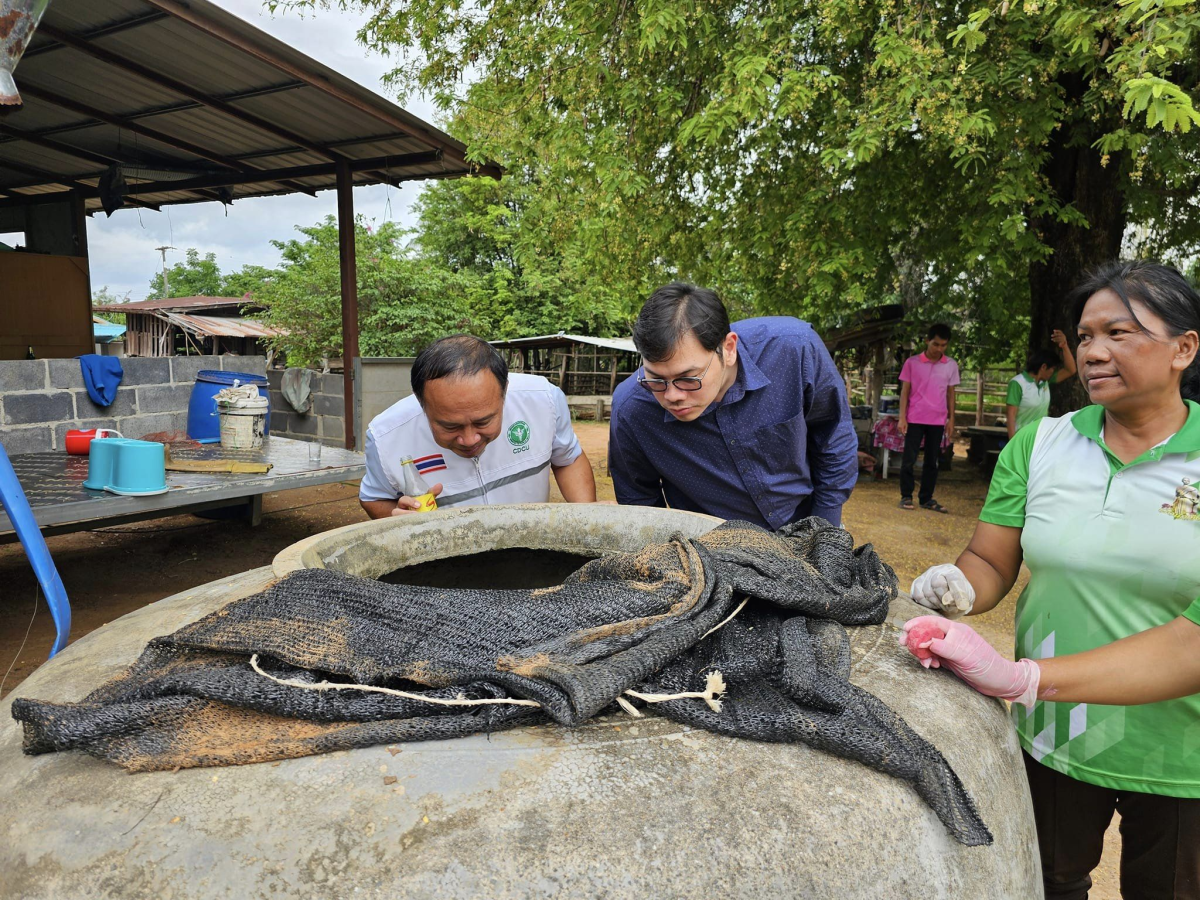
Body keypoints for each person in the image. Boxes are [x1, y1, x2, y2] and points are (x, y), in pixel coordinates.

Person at [903, 260, 1200, 900]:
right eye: (1085, 335)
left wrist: (1025, 678)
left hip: (1184, 753)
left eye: (1118, 333)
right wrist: (957, 585)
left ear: (1184, 347)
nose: (1092, 351)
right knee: (1047, 883)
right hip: (1057, 732)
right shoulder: (1040, 445)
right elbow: (991, 560)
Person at [608, 282, 857, 528]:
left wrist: (825, 529)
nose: (672, 396)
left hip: (806, 523)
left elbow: (833, 437)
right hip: (712, 548)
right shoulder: (632, 408)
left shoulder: (794, 350)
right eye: (656, 379)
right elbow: (640, 504)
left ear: (728, 349)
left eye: (688, 378)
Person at [359, 334, 596, 517]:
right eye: (450, 427)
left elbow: (567, 458)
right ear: (422, 405)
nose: (470, 439)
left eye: (483, 421)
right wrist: (395, 518)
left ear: (505, 394)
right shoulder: (385, 436)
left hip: (529, 553)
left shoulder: (543, 400)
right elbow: (374, 497)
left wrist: (589, 515)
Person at [898, 324, 959, 513]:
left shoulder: (951, 365)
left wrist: (951, 419)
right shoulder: (912, 363)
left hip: (937, 420)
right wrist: (902, 417)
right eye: (935, 344)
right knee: (909, 459)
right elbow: (905, 391)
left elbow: (951, 393)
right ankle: (906, 496)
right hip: (915, 417)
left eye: (943, 345)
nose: (939, 349)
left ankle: (926, 498)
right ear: (927, 341)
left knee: (932, 461)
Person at [1005, 329, 1077, 438]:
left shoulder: (1045, 381)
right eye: (1052, 368)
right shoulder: (1017, 383)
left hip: (1041, 438)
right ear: (1043, 367)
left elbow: (1071, 370)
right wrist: (1012, 444)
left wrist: (1064, 345)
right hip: (1021, 438)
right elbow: (1011, 416)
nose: (1053, 371)